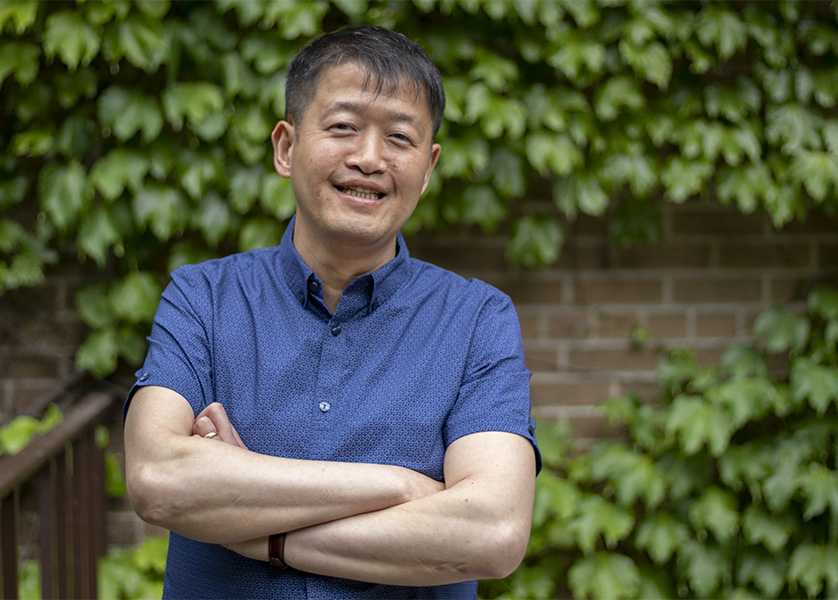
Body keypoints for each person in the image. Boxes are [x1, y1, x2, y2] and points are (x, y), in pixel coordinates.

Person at [123, 24, 541, 599]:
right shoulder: (203, 297)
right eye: (343, 127)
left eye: (400, 138)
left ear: (428, 169)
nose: (369, 158)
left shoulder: (477, 319)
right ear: (286, 148)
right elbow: (158, 478)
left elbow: (491, 531)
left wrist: (265, 535)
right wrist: (398, 487)